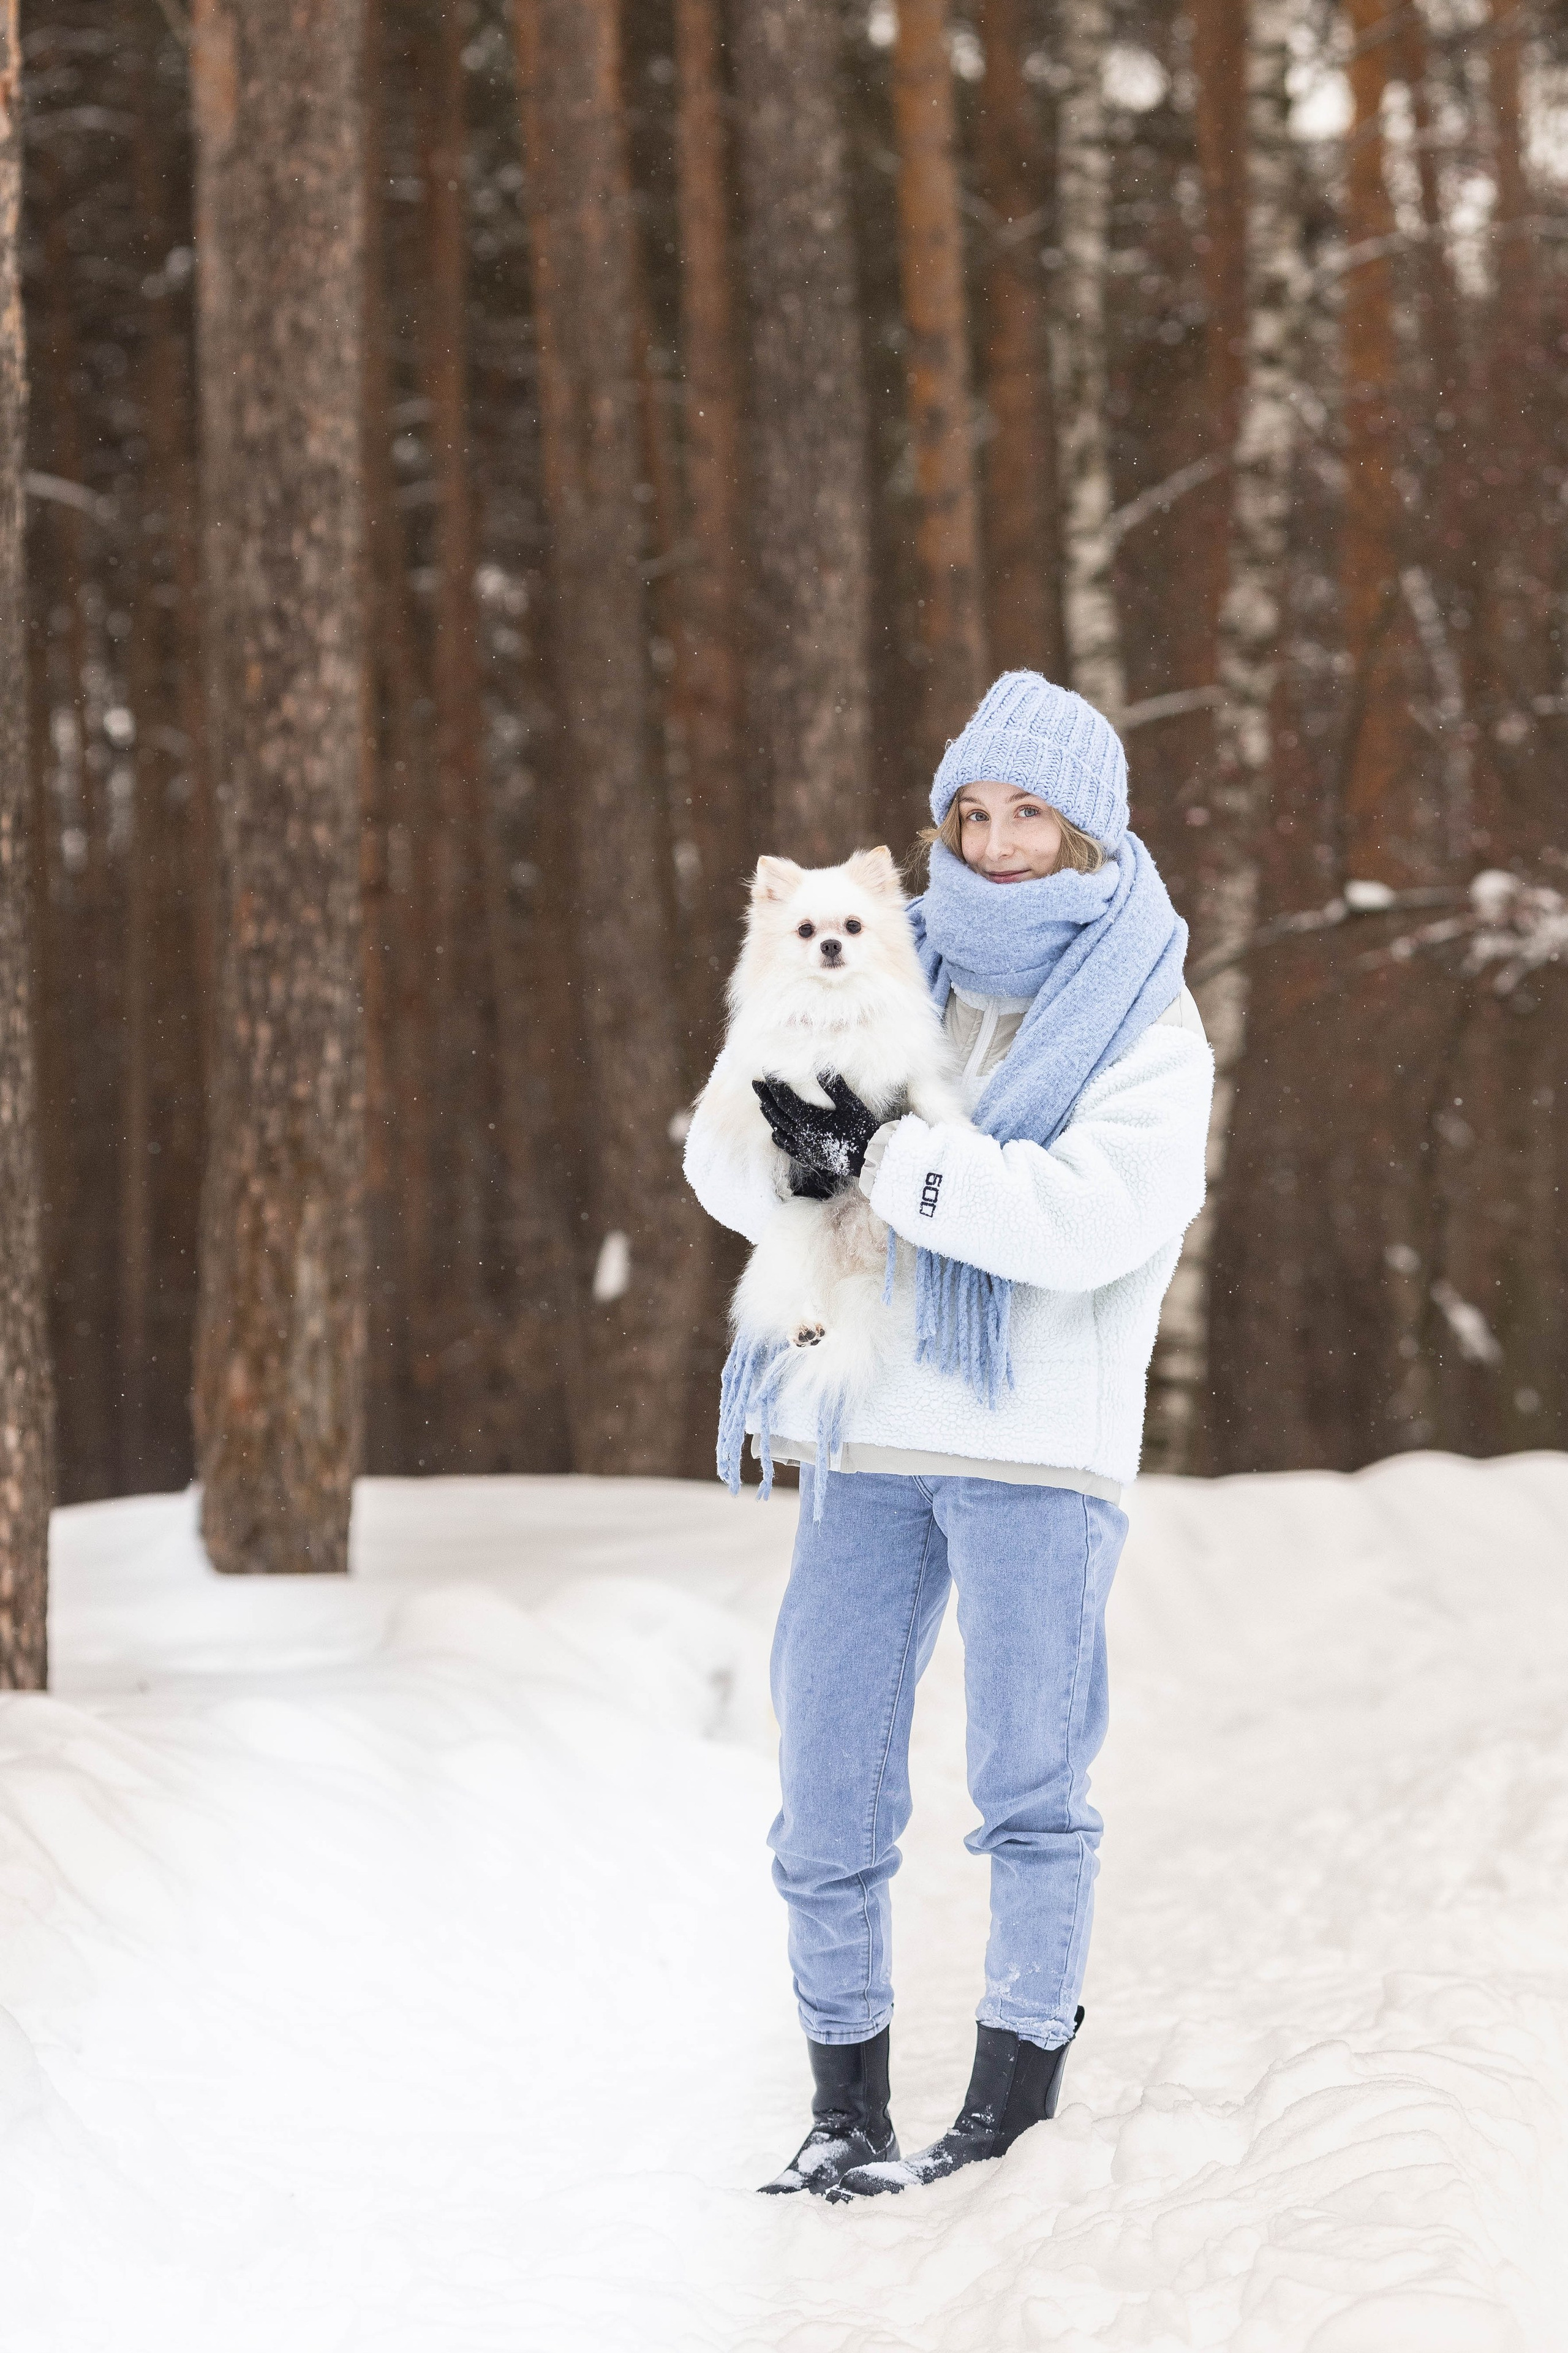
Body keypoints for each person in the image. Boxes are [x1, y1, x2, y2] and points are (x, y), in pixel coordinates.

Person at [683, 671, 1214, 2198]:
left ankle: (1006, 2103)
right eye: (968, 814)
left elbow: (1092, 1219)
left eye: (1023, 814)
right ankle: (842, 2107)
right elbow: (722, 1139)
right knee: (828, 1776)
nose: (989, 843)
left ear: (1086, 829)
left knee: (1026, 1783)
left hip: (1038, 1448)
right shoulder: (876, 955)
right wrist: (791, 1171)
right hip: (869, 1427)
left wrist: (893, 1160)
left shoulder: (1144, 1016)